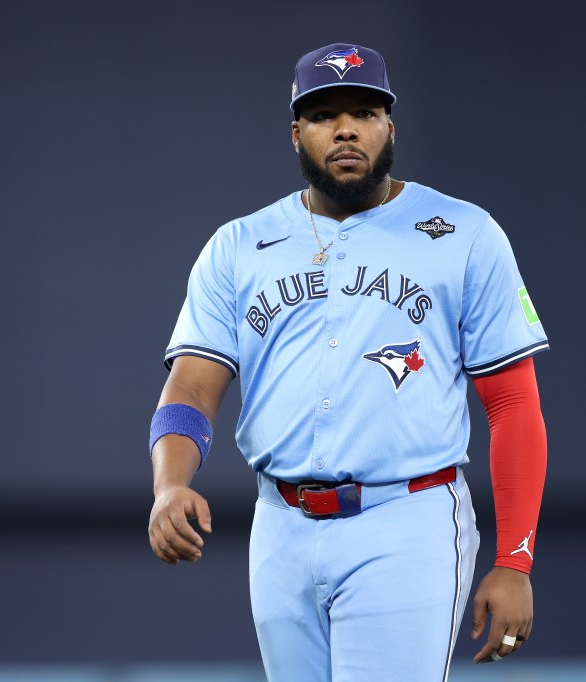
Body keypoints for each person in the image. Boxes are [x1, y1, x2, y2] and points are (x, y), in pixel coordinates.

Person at [147, 42, 548, 681]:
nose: (344, 129)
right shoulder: (239, 245)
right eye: (323, 114)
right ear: (297, 133)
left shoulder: (464, 233)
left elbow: (513, 404)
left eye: (363, 111)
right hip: (280, 524)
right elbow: (192, 390)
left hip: (406, 518)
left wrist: (515, 559)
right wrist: (170, 484)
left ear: (390, 125)